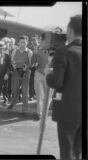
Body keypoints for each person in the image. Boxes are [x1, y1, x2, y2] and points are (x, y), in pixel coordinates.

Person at [45, 15, 82, 159]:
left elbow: (56, 82)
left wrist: (48, 74)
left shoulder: (64, 51)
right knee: (78, 153)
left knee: (67, 154)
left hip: (68, 112)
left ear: (71, 31)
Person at [8, 35, 33, 115]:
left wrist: (27, 67)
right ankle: (14, 102)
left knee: (25, 91)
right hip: (16, 72)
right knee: (14, 89)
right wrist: (13, 65)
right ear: (18, 43)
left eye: (24, 42)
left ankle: (25, 109)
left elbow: (32, 64)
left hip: (26, 73)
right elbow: (12, 61)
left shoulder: (29, 52)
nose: (22, 44)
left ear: (27, 43)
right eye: (21, 42)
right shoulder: (15, 51)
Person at [31, 34, 49, 121]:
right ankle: (39, 113)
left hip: (49, 75)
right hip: (38, 73)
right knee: (39, 94)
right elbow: (32, 62)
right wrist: (35, 52)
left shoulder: (52, 50)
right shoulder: (37, 49)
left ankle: (44, 111)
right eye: (41, 40)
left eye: (43, 40)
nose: (41, 41)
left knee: (47, 96)